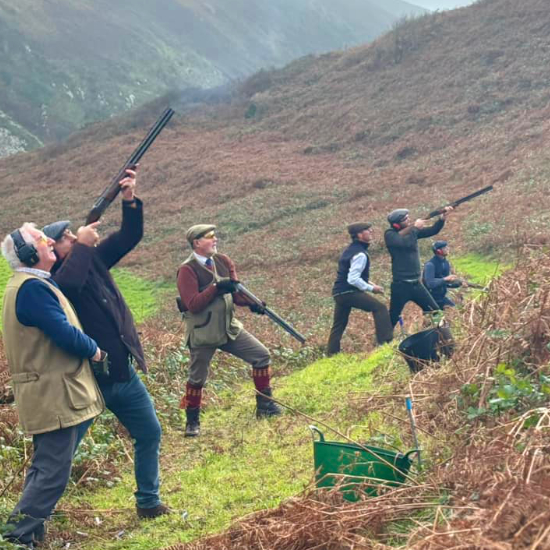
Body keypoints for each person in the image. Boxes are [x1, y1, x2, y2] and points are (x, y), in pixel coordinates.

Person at [42, 169, 170, 519]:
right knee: (61, 454)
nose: (74, 236)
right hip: (87, 381)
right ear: (51, 249)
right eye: (66, 237)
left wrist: (129, 199)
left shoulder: (94, 259)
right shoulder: (53, 280)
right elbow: (69, 285)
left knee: (149, 432)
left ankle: (148, 502)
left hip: (122, 374)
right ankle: (33, 518)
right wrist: (83, 245)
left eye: (74, 233)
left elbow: (130, 236)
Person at [1, 223, 105, 548]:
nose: (49, 241)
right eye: (40, 240)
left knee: (46, 468)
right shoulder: (32, 288)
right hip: (53, 394)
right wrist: (95, 350)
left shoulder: (32, 284)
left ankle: (30, 533)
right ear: (29, 253)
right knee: (52, 473)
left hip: (54, 392)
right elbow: (63, 333)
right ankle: (16, 537)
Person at [177, 224, 281, 437]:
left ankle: (265, 406)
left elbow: (235, 293)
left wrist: (253, 303)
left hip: (228, 328)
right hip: (203, 332)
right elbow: (193, 304)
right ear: (197, 243)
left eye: (214, 236)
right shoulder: (187, 270)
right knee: (197, 379)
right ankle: (192, 422)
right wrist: (216, 288)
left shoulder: (223, 261)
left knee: (261, 355)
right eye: (210, 236)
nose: (215, 239)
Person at [327, 222, 393, 356]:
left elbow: (351, 273)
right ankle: (385, 343)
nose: (371, 231)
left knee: (339, 324)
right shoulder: (360, 254)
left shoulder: (350, 250)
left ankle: (331, 354)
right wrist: (371, 288)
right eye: (367, 230)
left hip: (339, 293)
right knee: (380, 308)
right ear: (359, 235)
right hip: (349, 292)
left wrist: (371, 284)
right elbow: (352, 279)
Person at [384, 207, 453, 327]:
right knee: (393, 316)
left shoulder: (410, 232)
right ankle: (384, 337)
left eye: (408, 217)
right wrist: (415, 228)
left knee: (435, 311)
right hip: (401, 285)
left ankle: (443, 334)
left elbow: (432, 231)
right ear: (396, 224)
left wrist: (442, 219)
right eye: (405, 219)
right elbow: (406, 244)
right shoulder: (390, 234)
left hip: (416, 284)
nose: (409, 220)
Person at [423, 240, 462, 309]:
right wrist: (445, 279)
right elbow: (430, 283)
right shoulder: (430, 265)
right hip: (430, 300)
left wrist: (459, 283)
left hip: (441, 298)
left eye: (447, 247)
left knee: (456, 310)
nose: (448, 248)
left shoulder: (446, 263)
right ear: (439, 251)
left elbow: (446, 284)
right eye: (445, 248)